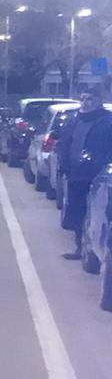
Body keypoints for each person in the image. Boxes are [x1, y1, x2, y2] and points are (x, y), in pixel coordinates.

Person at [61, 85, 112, 260]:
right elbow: (65, 142)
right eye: (82, 99)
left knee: (95, 213)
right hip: (76, 174)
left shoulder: (107, 121)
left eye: (89, 99)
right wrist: (64, 164)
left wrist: (101, 163)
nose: (85, 103)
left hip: (98, 176)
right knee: (77, 211)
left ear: (98, 102)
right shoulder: (75, 119)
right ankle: (79, 246)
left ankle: (92, 249)